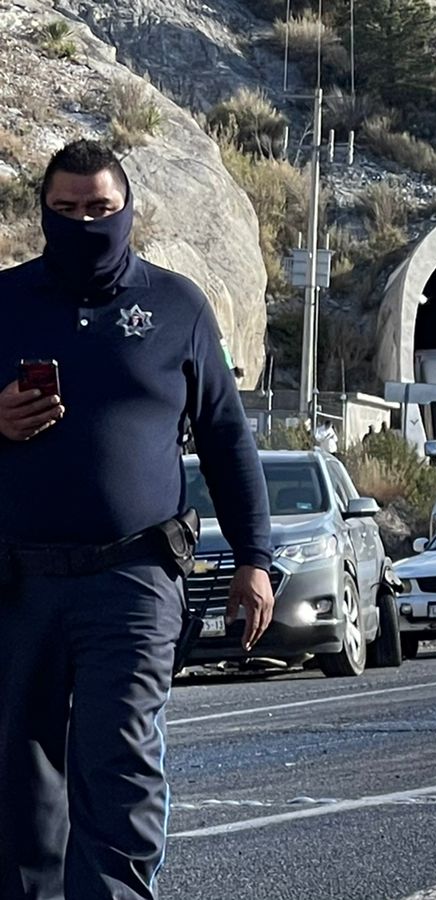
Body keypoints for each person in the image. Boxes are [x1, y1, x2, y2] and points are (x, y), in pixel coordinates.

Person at [0, 140, 274, 899]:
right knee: (20, 778)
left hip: (133, 578)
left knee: (118, 766)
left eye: (99, 210)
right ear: (43, 214)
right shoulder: (4, 302)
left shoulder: (177, 307)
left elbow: (226, 438)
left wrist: (255, 559)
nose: (83, 222)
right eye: (65, 211)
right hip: (19, 582)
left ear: (128, 212)